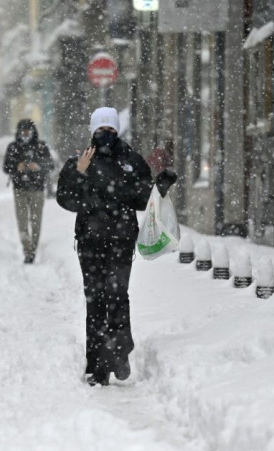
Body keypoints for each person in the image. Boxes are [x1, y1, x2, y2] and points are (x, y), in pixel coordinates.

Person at [56, 107, 177, 386]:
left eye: (110, 130)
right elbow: (67, 199)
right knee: (95, 302)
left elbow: (143, 200)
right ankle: (97, 366)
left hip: (121, 241)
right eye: (100, 130)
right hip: (89, 242)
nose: (105, 135)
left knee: (118, 297)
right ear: (92, 131)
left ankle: (120, 353)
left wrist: (161, 186)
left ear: (117, 130)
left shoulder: (132, 161)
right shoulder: (79, 161)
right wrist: (79, 173)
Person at [3, 119, 54, 264]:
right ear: (18, 132)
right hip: (19, 189)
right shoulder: (13, 147)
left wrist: (37, 166)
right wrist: (16, 166)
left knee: (36, 221)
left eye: (27, 131)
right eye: (22, 131)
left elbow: (50, 165)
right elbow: (6, 167)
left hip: (37, 189)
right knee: (22, 221)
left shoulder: (41, 146)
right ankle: (28, 251)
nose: (25, 134)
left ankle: (33, 248)